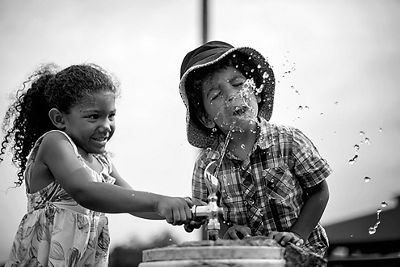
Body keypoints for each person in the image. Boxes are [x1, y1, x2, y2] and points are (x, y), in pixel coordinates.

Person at [0, 63, 193, 266]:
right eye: (94, 117)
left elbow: (133, 204)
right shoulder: (55, 142)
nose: (106, 126)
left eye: (111, 115)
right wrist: (159, 202)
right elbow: (86, 191)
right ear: (59, 119)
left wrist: (182, 208)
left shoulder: (103, 162)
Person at [179, 41, 332, 257]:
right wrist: (226, 231)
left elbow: (319, 192)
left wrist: (298, 235)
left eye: (238, 83)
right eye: (216, 95)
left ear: (257, 92)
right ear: (206, 118)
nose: (231, 96)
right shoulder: (208, 165)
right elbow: (207, 214)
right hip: (246, 260)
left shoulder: (289, 142)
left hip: (301, 257)